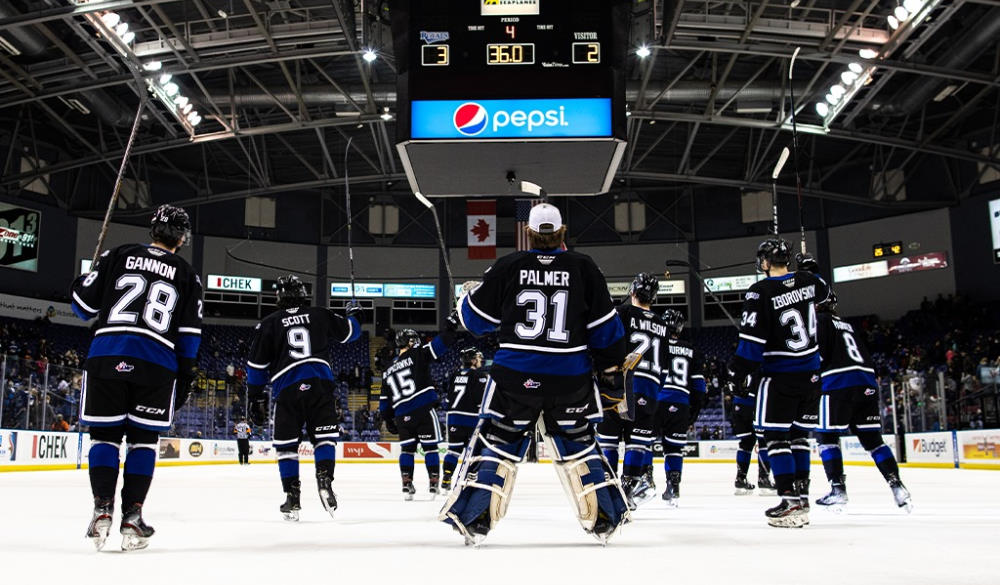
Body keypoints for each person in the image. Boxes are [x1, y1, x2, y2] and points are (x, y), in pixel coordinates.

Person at [441, 203, 631, 545]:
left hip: (516, 378)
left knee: (497, 444)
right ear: (562, 231)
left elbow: (474, 322)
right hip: (570, 378)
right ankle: (607, 517)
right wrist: (611, 376)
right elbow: (607, 334)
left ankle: (475, 518)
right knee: (580, 446)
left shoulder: (509, 265)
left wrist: (466, 296)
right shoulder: (584, 267)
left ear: (528, 232)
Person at [69, 204, 203, 551]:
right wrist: (185, 376)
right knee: (143, 441)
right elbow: (189, 334)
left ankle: (102, 509)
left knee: (105, 437)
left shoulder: (119, 254)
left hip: (107, 353)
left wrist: (82, 281)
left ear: (152, 230)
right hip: (156, 363)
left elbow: (82, 308)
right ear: (182, 238)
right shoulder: (187, 275)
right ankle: (133, 516)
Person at [728, 240, 829, 528]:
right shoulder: (808, 281)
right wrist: (811, 268)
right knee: (798, 437)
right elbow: (825, 292)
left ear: (764, 262)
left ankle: (789, 500)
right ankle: (803, 496)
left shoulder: (760, 291)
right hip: (811, 374)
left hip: (780, 374)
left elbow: (752, 342)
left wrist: (737, 371)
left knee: (774, 437)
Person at [245, 275, 361, 521]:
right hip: (320, 383)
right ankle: (324, 479)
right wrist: (353, 315)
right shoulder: (319, 313)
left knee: (287, 446)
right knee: (325, 438)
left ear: (279, 297)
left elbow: (256, 366)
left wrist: (255, 397)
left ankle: (292, 497)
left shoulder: (268, 323)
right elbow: (351, 334)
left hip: (287, 388)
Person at [814, 292, 911, 511]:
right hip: (866, 381)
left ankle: (838, 490)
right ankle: (898, 486)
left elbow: (818, 356)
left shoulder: (819, 321)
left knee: (826, 437)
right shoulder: (847, 325)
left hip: (838, 381)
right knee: (874, 441)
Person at [596, 272, 667, 509]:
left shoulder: (623, 312)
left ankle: (610, 489)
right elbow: (664, 364)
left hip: (623, 382)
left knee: (609, 440)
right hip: (651, 387)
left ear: (632, 291)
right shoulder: (662, 324)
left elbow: (609, 342)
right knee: (637, 442)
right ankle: (628, 490)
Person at [379, 320, 458, 500]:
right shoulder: (417, 354)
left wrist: (388, 419)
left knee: (407, 450)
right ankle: (433, 484)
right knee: (430, 449)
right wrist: (450, 329)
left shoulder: (387, 369)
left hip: (401, 415)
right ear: (411, 342)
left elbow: (384, 401)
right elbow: (440, 345)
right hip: (422, 409)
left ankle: (406, 484)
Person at [656, 309, 705, 507]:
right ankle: (673, 487)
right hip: (682, 402)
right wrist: (695, 410)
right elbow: (699, 385)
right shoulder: (691, 349)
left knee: (643, 443)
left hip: (659, 399)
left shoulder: (658, 345)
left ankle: (643, 482)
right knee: (673, 448)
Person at [442, 347, 488, 491]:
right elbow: (480, 400)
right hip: (471, 418)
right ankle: (470, 478)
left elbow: (447, 399)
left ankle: (447, 477)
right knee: (474, 451)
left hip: (453, 418)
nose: (480, 361)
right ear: (473, 360)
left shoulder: (454, 375)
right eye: (478, 358)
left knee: (453, 451)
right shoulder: (479, 376)